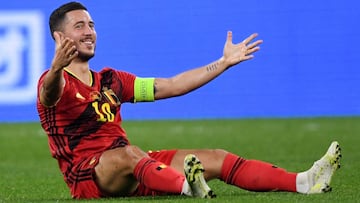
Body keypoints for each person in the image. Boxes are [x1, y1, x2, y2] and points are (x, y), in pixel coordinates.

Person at [37, 1, 341, 199]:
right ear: (59, 37)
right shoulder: (53, 81)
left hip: (131, 168)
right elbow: (49, 94)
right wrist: (56, 67)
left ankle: (303, 180)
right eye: (79, 26)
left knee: (216, 157)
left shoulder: (111, 80)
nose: (89, 32)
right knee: (130, 153)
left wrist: (222, 63)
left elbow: (172, 85)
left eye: (91, 25)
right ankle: (187, 186)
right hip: (90, 177)